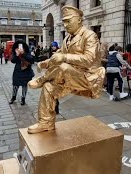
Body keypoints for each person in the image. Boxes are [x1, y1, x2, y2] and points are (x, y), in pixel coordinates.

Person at [27, 5, 105, 134]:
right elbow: (57, 57)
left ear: (79, 19)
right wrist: (45, 63)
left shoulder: (90, 36)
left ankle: (41, 79)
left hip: (87, 77)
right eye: (64, 22)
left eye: (69, 21)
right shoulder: (67, 38)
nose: (65, 25)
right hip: (68, 76)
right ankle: (45, 123)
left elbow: (89, 60)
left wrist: (64, 57)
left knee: (62, 67)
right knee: (48, 88)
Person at [9, 41, 35, 105]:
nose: (20, 48)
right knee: (15, 85)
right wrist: (17, 55)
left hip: (26, 71)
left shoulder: (27, 53)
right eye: (18, 47)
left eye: (21, 47)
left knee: (24, 86)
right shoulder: (15, 53)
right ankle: (13, 97)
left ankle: (23, 99)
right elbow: (12, 60)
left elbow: (31, 59)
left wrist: (23, 54)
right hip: (17, 71)